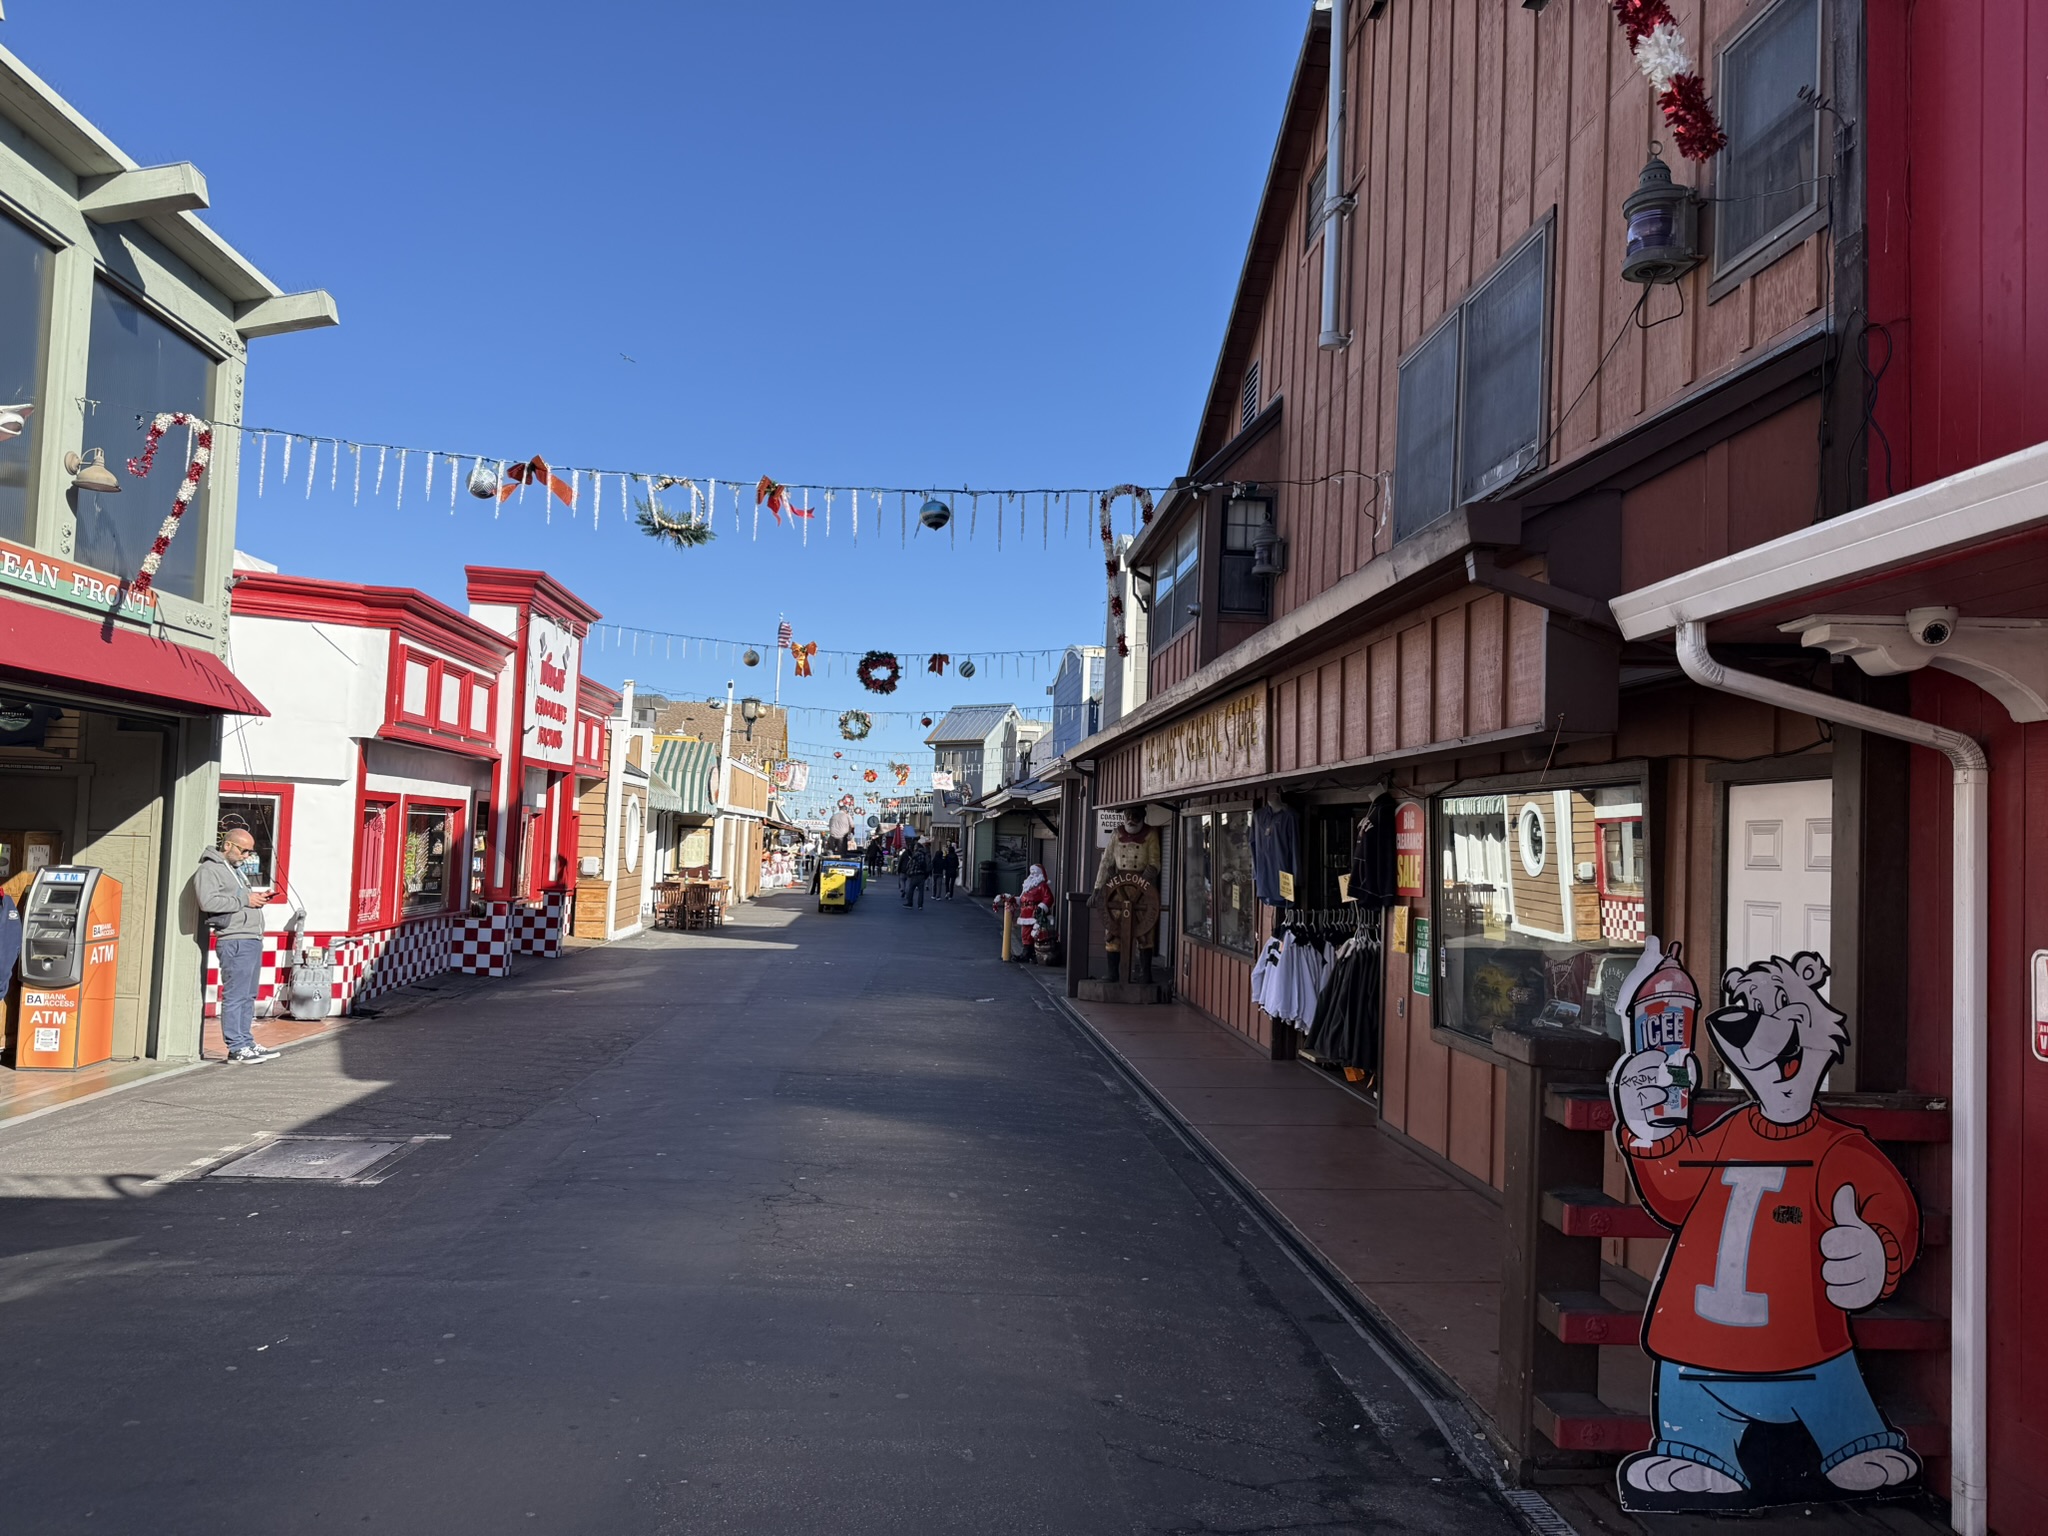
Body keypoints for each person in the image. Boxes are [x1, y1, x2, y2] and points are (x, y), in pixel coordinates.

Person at [191, 826, 277, 1063]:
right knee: (236, 995)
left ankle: (246, 1041)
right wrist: (245, 899)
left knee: (248, 994)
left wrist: (255, 900)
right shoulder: (210, 869)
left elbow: (238, 901)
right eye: (243, 850)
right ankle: (236, 1046)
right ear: (228, 845)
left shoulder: (233, 869)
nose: (246, 856)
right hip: (234, 938)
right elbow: (207, 901)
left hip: (250, 937)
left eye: (249, 852)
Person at [903, 840, 931, 908]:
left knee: (911, 889)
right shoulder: (925, 854)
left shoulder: (918, 853)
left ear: (917, 847)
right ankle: (920, 905)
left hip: (915, 874)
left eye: (915, 846)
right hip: (922, 874)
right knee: (921, 891)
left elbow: (912, 859)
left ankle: (910, 903)